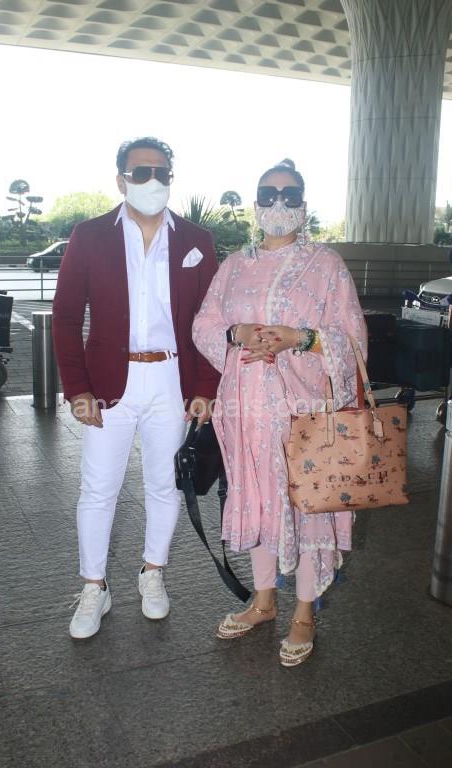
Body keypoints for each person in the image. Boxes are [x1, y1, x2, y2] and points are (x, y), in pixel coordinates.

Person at [193, 159, 367, 667]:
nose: (278, 203)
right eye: (269, 193)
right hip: (247, 413)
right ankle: (264, 600)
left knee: (306, 506)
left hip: (304, 415)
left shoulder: (326, 265)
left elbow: (353, 339)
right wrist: (237, 333)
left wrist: (298, 338)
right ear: (255, 204)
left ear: (304, 206)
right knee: (258, 501)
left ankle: (304, 613)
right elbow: (204, 324)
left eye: (290, 195)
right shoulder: (234, 265)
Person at [53, 136, 220, 639]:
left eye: (161, 172)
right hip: (109, 382)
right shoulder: (89, 236)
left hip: (171, 379)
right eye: (141, 172)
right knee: (97, 488)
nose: (152, 180)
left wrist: (206, 386)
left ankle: (153, 573)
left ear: (172, 178)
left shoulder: (196, 240)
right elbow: (66, 317)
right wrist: (77, 387)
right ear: (121, 180)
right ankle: (94, 587)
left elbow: (210, 321)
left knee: (164, 485)